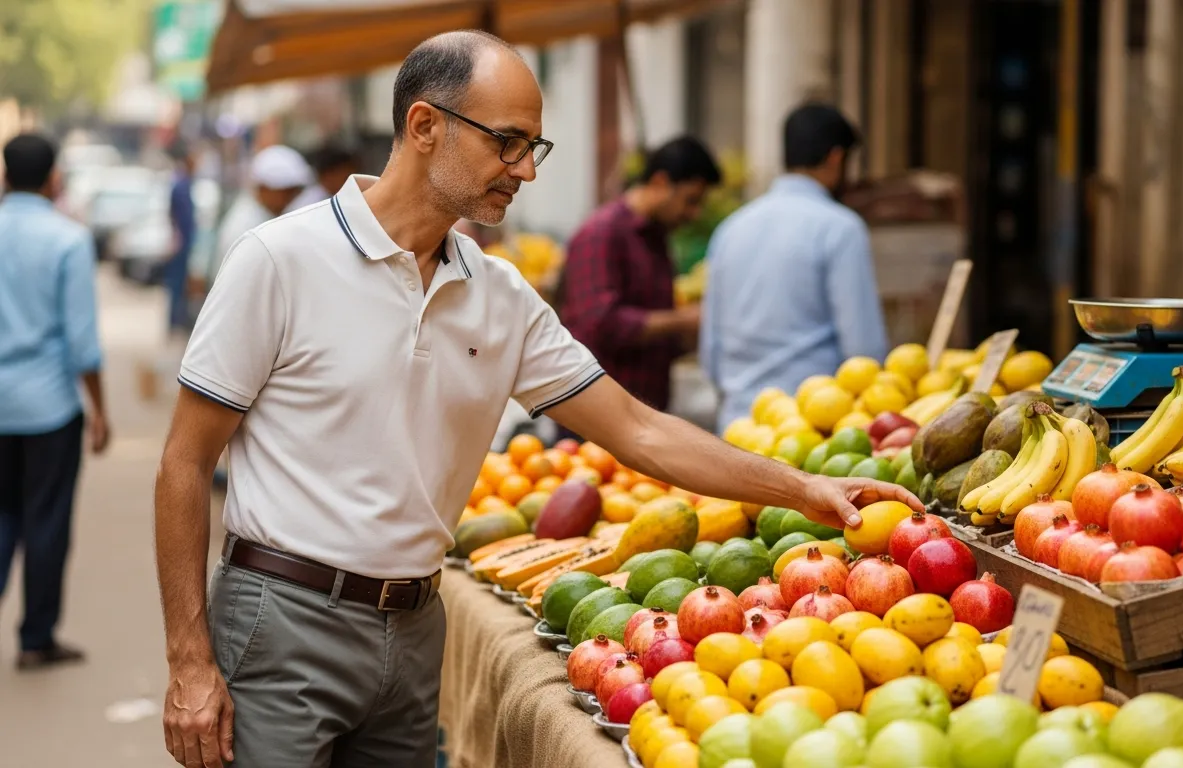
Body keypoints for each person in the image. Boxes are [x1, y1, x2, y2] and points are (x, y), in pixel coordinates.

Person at [155, 31, 919, 768]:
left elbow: (640, 431)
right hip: (284, 618)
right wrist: (190, 661)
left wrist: (804, 488)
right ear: (425, 125)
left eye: (532, 148)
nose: (524, 170)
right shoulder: (278, 261)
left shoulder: (502, 295)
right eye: (507, 142)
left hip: (418, 628)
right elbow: (184, 465)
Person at [701, 103, 889, 430]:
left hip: (738, 429)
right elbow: (863, 355)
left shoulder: (731, 228)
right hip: (813, 435)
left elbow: (711, 352)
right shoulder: (840, 227)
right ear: (836, 157)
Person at [0, 133, 110, 671]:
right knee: (45, 522)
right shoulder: (67, 240)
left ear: (3, 175)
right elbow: (82, 344)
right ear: (53, 179)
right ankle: (36, 638)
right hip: (47, 408)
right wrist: (100, 411)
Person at [557, 136, 719, 416]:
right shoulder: (602, 232)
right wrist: (685, 319)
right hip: (597, 419)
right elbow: (600, 322)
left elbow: (650, 328)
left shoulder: (656, 238)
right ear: (660, 182)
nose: (694, 213)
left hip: (640, 414)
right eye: (690, 200)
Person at [201, 144, 312, 287]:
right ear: (265, 188)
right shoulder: (246, 227)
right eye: (287, 192)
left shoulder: (260, 217)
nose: (290, 199)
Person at [166, 142, 198, 336]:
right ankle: (175, 323)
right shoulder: (180, 185)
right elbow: (177, 217)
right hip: (181, 244)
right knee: (176, 284)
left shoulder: (184, 183)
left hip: (185, 242)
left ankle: (178, 321)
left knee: (181, 284)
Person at [288, 144, 358, 211]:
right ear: (328, 174)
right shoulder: (308, 204)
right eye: (345, 177)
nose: (351, 181)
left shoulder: (345, 197)